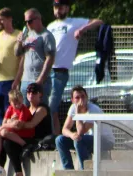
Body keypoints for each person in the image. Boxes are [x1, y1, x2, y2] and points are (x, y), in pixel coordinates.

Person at [47, 0, 103, 135]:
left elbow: (98, 21)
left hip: (60, 71)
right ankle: (53, 137)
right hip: (47, 70)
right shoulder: (50, 26)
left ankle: (52, 136)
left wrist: (82, 29)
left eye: (61, 7)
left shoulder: (74, 21)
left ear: (67, 8)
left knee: (50, 106)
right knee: (49, 107)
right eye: (56, 8)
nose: (58, 10)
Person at [55, 85, 115, 170]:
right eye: (77, 98)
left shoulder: (93, 110)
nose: (81, 100)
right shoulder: (73, 108)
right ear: (72, 100)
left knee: (79, 140)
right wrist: (72, 135)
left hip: (105, 141)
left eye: (83, 96)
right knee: (59, 140)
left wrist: (78, 114)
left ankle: (85, 170)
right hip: (88, 140)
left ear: (87, 97)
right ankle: (68, 170)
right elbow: (64, 129)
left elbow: (81, 132)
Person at [0, 90, 35, 176]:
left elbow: (18, 125)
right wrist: (10, 122)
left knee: (3, 134)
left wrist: (9, 122)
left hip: (25, 136)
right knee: (0, 133)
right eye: (15, 104)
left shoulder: (23, 110)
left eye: (20, 103)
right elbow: (4, 123)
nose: (18, 105)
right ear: (10, 102)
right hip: (13, 134)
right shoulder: (10, 109)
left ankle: (24, 145)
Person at [16, 9, 56, 107]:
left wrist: (40, 80)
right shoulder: (27, 34)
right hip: (26, 80)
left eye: (29, 21)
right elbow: (17, 53)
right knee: (25, 111)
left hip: (39, 80)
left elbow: (50, 59)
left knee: (41, 111)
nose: (27, 24)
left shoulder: (46, 36)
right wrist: (19, 42)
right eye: (25, 22)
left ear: (38, 19)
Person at [0, 8, 22, 126]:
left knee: (10, 110)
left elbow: (22, 59)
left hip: (11, 79)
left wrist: (17, 79)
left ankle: (10, 135)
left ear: (9, 19)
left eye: (1, 20)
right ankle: (2, 133)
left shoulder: (19, 35)